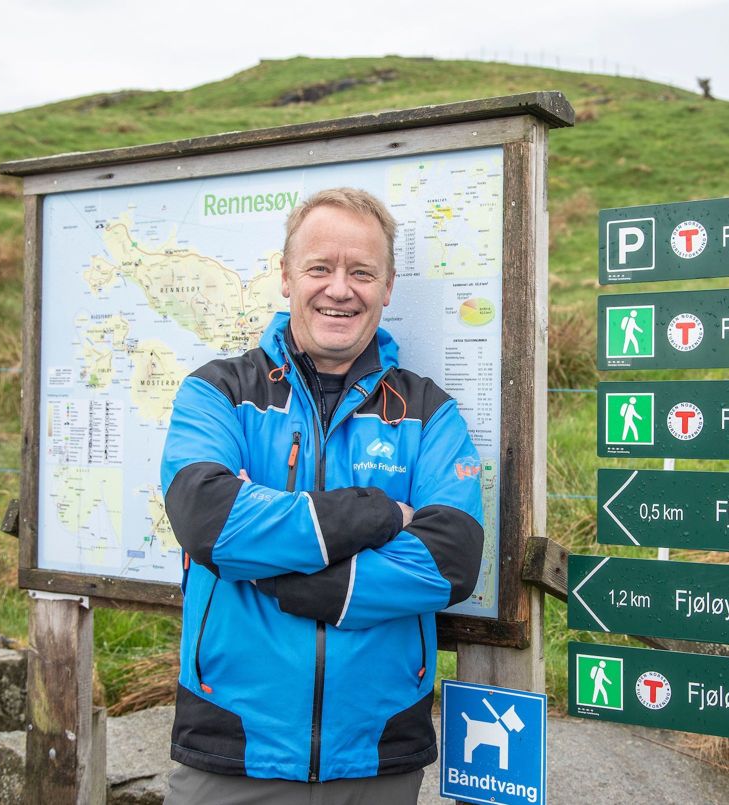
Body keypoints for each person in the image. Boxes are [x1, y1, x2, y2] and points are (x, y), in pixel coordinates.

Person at [160, 187, 485, 804]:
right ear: (286, 278)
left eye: (362, 272)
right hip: (230, 751)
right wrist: (381, 513)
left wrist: (276, 577)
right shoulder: (217, 392)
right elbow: (211, 522)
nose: (341, 288)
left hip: (377, 757)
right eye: (320, 268)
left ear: (387, 288)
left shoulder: (429, 412)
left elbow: (450, 561)